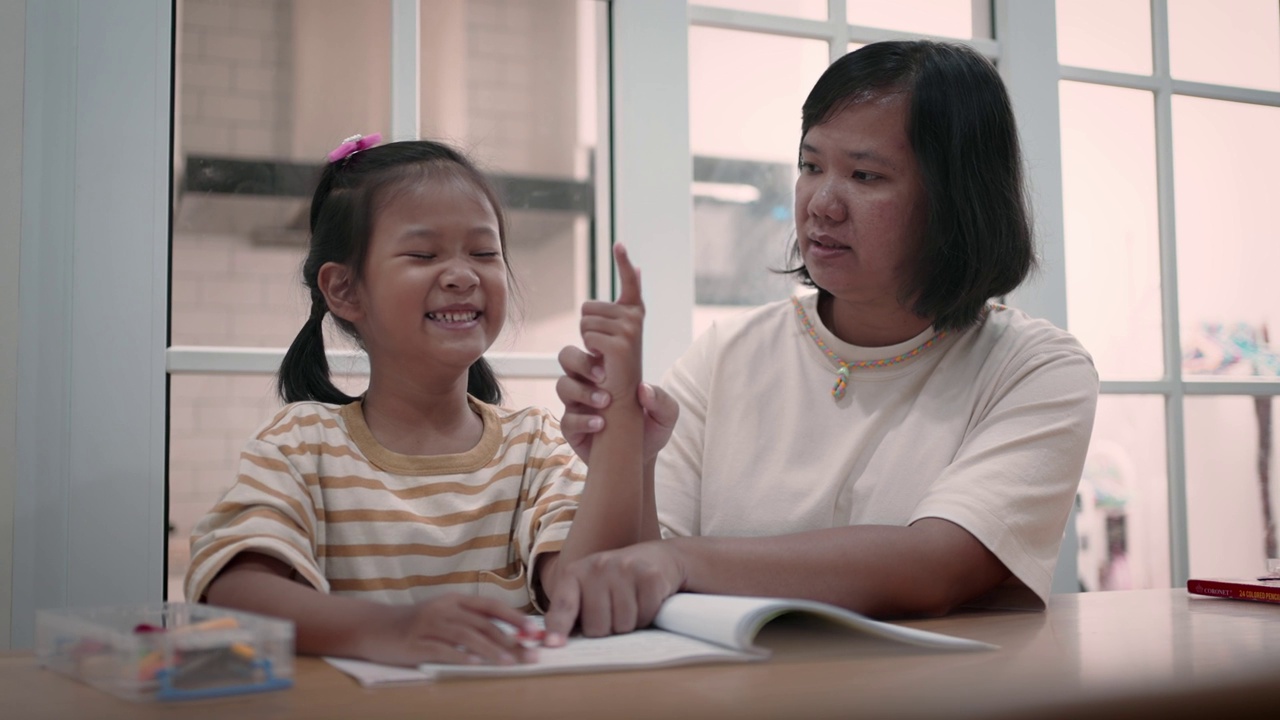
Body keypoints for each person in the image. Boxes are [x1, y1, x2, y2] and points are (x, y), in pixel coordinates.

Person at [544, 40, 1100, 640]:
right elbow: (637, 577)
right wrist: (631, 454)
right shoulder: (728, 354)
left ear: (958, 200)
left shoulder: (1035, 368)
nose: (822, 205)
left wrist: (682, 563)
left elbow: (934, 566)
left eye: (865, 175)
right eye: (811, 166)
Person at [184, 136, 653, 666]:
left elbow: (587, 589)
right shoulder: (301, 444)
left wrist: (618, 414)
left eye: (484, 252)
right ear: (345, 290)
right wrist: (392, 630)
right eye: (423, 254)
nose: (462, 275)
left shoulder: (533, 445)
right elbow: (234, 589)